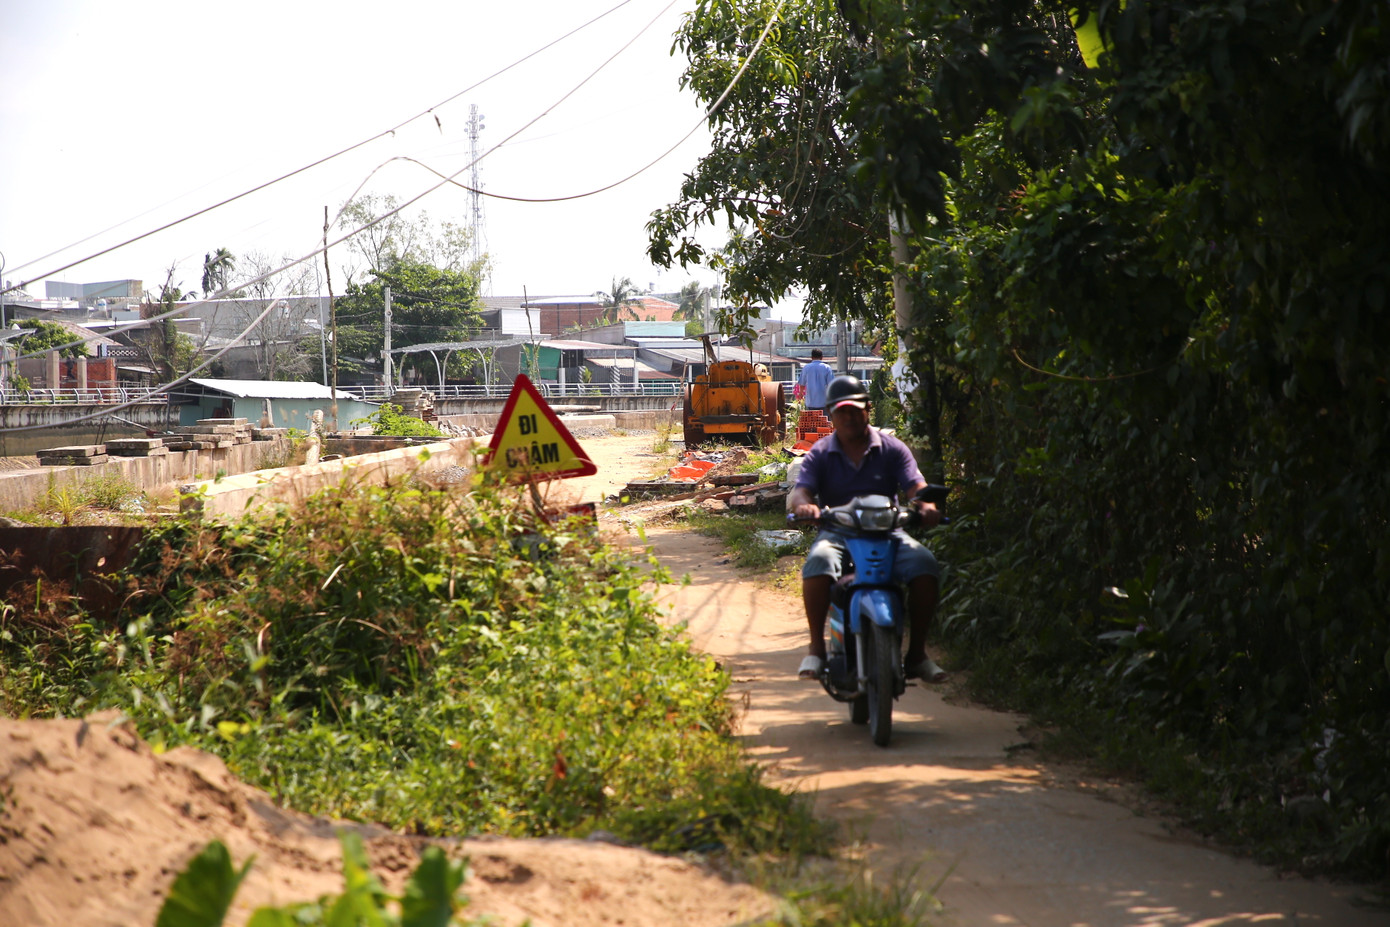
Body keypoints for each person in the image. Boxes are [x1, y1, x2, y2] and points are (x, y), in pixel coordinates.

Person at [788, 375, 948, 683]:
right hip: (838, 531)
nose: (848, 416)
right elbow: (801, 490)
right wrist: (803, 506)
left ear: (867, 410)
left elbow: (915, 485)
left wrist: (925, 506)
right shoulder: (820, 453)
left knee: (924, 564)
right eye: (841, 411)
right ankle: (816, 649)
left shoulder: (891, 448)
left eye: (855, 409)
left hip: (887, 531)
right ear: (831, 415)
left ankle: (917, 655)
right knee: (819, 561)